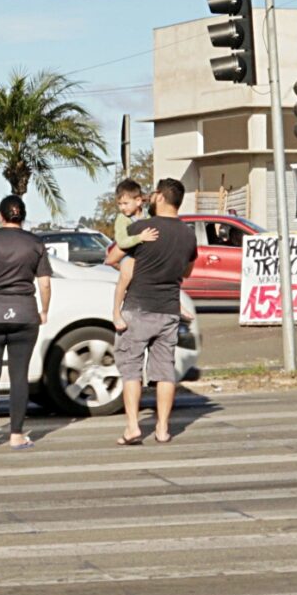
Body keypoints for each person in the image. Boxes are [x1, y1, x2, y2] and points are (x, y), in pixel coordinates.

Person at [0, 195, 54, 451]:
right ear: (22, 217)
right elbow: (44, 283)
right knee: (19, 376)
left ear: (0, 216)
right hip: (25, 315)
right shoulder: (35, 243)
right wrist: (44, 310)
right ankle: (16, 435)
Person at [111, 177, 195, 445]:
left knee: (132, 369)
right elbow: (187, 271)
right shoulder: (188, 234)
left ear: (159, 197)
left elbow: (112, 258)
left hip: (137, 308)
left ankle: (133, 427)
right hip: (169, 310)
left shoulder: (141, 228)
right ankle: (162, 428)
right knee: (164, 371)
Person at [102, 179, 156, 268]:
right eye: (119, 204)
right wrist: (140, 237)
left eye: (125, 203)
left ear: (138, 201)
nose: (122, 207)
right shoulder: (122, 219)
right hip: (126, 258)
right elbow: (122, 242)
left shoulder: (148, 215)